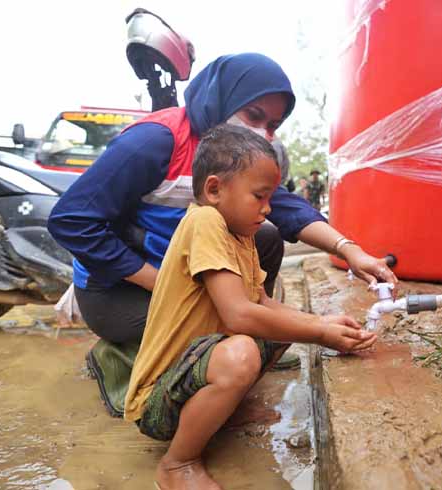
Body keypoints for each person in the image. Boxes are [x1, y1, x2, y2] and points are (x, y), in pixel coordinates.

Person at [47, 53, 397, 412]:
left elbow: (287, 208)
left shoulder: (238, 159)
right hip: (118, 290)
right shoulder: (156, 141)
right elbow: (71, 220)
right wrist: (165, 284)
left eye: (272, 125)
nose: (262, 132)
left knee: (266, 238)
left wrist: (348, 250)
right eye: (253, 116)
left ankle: (236, 339)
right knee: (237, 319)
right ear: (220, 99)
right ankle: (124, 359)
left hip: (184, 274)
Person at [126, 124, 376, 489]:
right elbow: (238, 314)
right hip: (159, 400)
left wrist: (321, 322)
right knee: (242, 352)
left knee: (281, 328)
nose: (267, 208)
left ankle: (222, 413)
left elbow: (262, 303)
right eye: (259, 196)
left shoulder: (240, 233)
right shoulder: (204, 221)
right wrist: (319, 332)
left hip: (194, 374)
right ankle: (178, 463)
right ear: (214, 189)